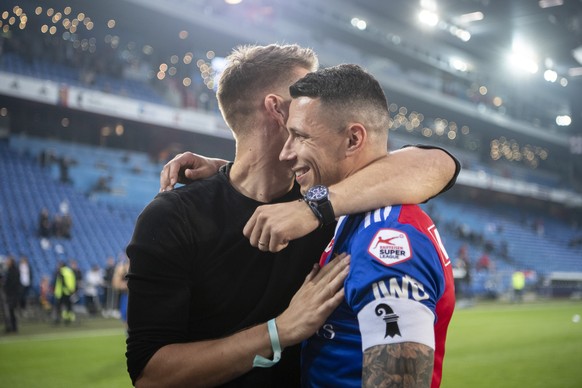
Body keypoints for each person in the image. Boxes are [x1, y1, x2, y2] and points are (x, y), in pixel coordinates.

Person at [128, 44, 458, 388]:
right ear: (277, 109)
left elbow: (438, 163)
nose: (315, 93)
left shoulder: (326, 203)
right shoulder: (173, 217)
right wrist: (279, 331)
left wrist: (315, 207)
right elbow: (150, 377)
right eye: (303, 90)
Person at [275, 64, 455, 387]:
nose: (285, 153)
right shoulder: (352, 215)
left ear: (353, 139)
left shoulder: (387, 240)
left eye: (300, 136)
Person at [53, 260, 76, 325]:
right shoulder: (70, 271)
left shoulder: (61, 271)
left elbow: (63, 282)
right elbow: (73, 281)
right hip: (69, 292)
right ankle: (68, 319)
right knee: (68, 306)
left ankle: (58, 319)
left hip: (61, 292)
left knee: (59, 307)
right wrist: (71, 290)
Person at [3, 256, 21, 333]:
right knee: (10, 311)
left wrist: (5, 287)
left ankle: (13, 327)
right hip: (12, 294)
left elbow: (13, 283)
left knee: (11, 311)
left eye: (8, 261)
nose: (7, 262)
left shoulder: (13, 271)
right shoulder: (10, 270)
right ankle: (11, 327)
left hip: (12, 294)